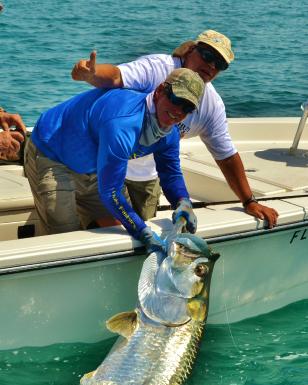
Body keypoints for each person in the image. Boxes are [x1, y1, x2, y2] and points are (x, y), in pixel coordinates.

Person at [72, 29, 278, 228]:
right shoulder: (157, 68)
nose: (211, 65)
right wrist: (92, 74)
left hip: (146, 175)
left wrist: (249, 201)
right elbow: (117, 76)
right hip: (106, 160)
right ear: (190, 50)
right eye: (207, 55)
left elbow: (226, 156)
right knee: (108, 229)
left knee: (135, 237)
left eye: (220, 64)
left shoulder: (211, 105)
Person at [24, 68, 204, 253]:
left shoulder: (170, 134)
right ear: (159, 91)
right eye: (176, 100)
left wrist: (183, 201)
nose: (178, 111)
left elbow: (170, 173)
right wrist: (142, 231)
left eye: (187, 108)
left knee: (115, 228)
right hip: (52, 151)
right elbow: (110, 191)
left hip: (94, 167)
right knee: (65, 237)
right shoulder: (123, 123)